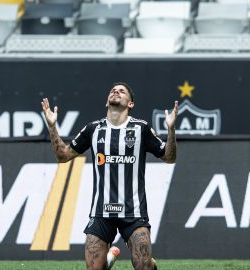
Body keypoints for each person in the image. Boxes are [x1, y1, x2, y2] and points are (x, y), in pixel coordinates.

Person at [41, 82, 177, 270]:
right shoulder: (93, 129)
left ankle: (145, 263)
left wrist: (171, 130)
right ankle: (109, 259)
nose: (116, 92)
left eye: (122, 91)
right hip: (101, 213)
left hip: (134, 212)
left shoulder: (141, 128)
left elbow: (169, 157)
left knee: (143, 266)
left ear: (130, 104)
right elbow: (63, 156)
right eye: (113, 90)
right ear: (107, 102)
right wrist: (52, 126)